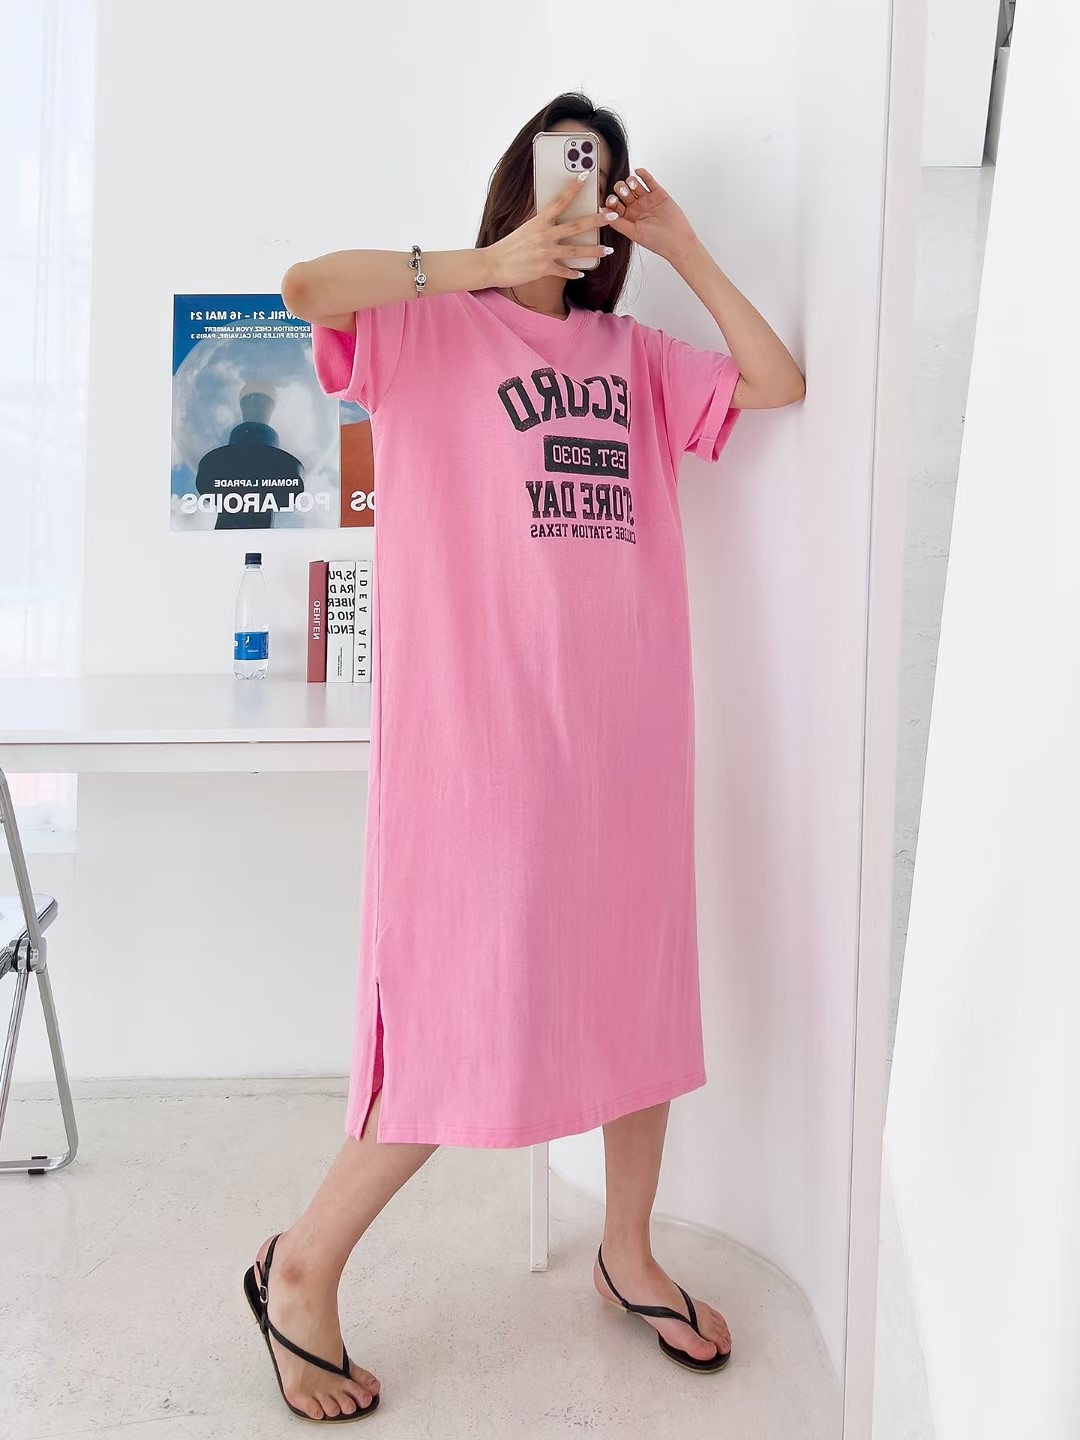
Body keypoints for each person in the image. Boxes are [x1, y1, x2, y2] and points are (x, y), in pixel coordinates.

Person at [250, 92, 805, 1424]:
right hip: (481, 756)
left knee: (635, 999)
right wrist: (484, 263)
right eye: (561, 168)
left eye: (597, 178)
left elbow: (776, 380)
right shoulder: (429, 326)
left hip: (625, 745)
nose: (577, 192)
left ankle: (627, 1255)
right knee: (463, 1015)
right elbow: (301, 286)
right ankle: (300, 1265)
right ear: (520, 185)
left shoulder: (633, 355)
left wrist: (680, 246)